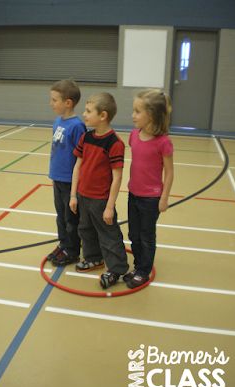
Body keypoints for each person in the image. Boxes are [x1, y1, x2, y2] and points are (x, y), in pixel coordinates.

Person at [69, 92, 129, 289]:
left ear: (102, 116)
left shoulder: (114, 143)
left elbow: (117, 176)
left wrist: (110, 206)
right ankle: (94, 258)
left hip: (101, 200)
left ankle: (117, 269)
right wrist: (73, 195)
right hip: (83, 196)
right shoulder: (86, 137)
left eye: (88, 111)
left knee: (108, 234)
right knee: (85, 230)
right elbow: (77, 166)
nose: (84, 114)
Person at [124, 89, 174, 289]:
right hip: (133, 194)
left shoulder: (163, 142)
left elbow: (169, 172)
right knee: (133, 234)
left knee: (146, 236)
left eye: (137, 111)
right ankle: (138, 266)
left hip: (151, 199)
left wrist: (164, 198)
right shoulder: (133, 136)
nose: (132, 115)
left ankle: (144, 270)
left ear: (151, 115)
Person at [48, 79, 86, 266]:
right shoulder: (57, 121)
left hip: (70, 181)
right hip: (57, 178)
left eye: (55, 100)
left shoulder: (77, 126)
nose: (51, 103)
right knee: (60, 216)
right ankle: (63, 244)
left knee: (71, 218)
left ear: (68, 103)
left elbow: (82, 157)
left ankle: (72, 251)